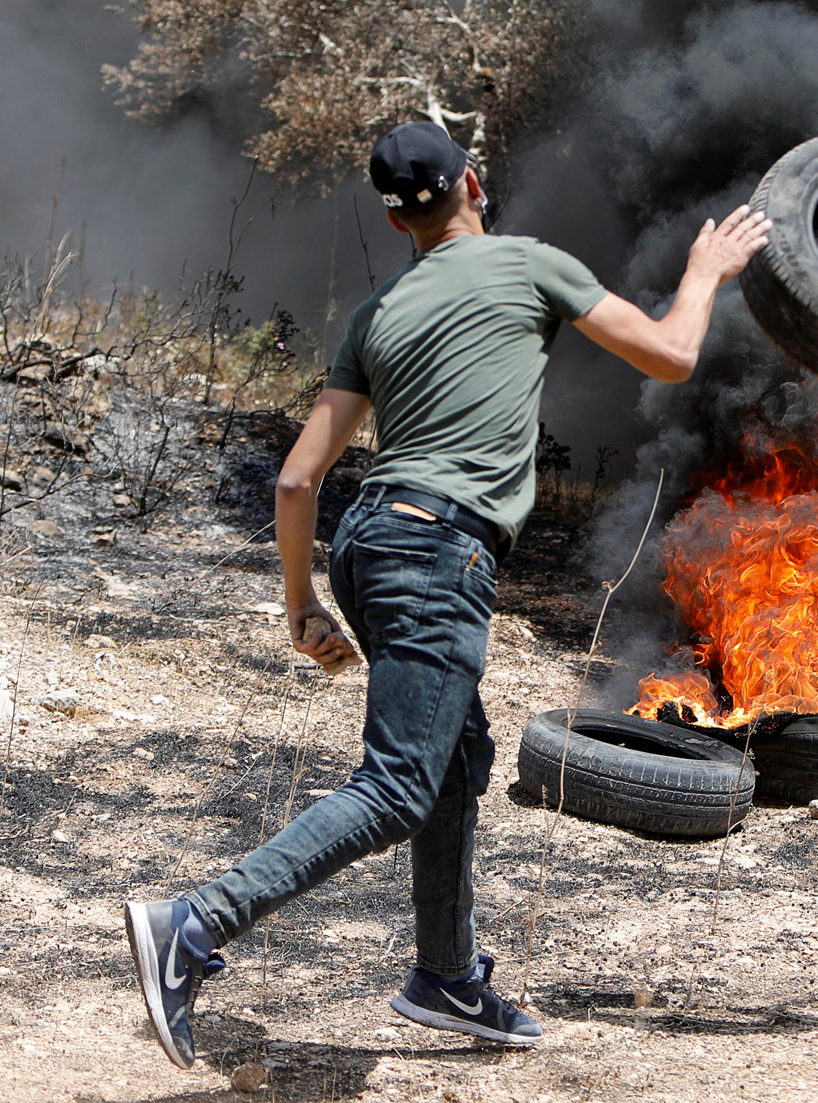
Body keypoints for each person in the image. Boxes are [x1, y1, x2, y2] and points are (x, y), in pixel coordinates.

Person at [122, 121, 771, 1067]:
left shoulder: (375, 315)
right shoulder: (527, 263)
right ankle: (194, 921)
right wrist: (709, 270)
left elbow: (298, 482)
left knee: (458, 759)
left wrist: (301, 606)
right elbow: (672, 354)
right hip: (437, 555)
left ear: (396, 222)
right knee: (396, 785)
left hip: (366, 539)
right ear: (474, 183)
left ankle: (446, 976)